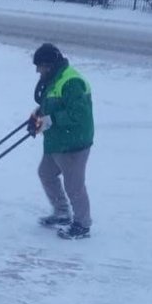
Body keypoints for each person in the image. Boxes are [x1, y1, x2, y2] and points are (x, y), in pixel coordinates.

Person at [28, 43, 94, 239]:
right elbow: (51, 103)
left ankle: (82, 225)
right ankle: (62, 212)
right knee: (46, 173)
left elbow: (79, 114)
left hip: (73, 142)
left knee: (74, 185)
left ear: (49, 64)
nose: (38, 70)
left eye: (40, 66)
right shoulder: (54, 78)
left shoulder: (72, 82)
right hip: (57, 140)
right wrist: (38, 114)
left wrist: (51, 120)